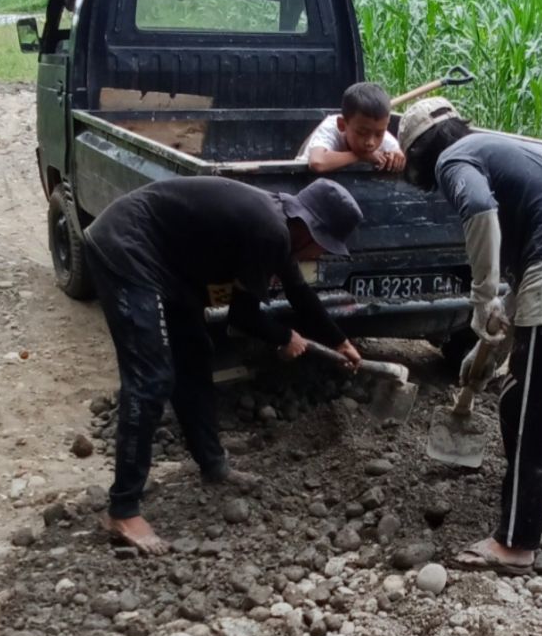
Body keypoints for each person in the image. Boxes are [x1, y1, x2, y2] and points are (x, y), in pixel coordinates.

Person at [83, 177, 365, 554]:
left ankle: (213, 464)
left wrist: (340, 342)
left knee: (195, 354)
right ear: (310, 229)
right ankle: (123, 508)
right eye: (322, 246)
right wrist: (284, 338)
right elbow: (242, 318)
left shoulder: (278, 228)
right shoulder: (271, 232)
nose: (319, 254)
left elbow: (300, 294)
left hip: (170, 267)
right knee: (151, 377)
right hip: (128, 247)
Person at [400, 97, 542, 575]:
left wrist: (481, 299)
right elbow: (536, 237)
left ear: (422, 154)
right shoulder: (499, 148)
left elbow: (478, 211)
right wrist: (491, 334)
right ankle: (525, 507)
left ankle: (516, 542)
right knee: (529, 396)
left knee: (528, 407)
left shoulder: (456, 159)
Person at [296, 82, 405, 173]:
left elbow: (399, 155)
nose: (370, 142)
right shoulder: (330, 128)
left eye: (379, 134)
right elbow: (317, 162)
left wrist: (396, 158)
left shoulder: (378, 132)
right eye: (361, 132)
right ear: (342, 125)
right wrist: (361, 156)